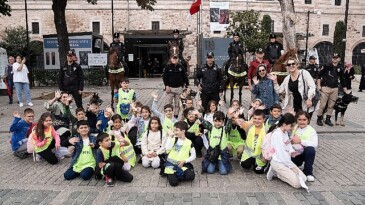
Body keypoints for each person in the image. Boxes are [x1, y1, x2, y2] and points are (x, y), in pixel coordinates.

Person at [266, 113, 308, 189]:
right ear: (284, 124)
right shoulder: (277, 134)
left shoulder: (284, 132)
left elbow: (288, 145)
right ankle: (277, 173)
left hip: (286, 161)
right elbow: (281, 154)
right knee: (297, 184)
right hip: (278, 162)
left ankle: (279, 172)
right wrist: (291, 166)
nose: (292, 128)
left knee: (304, 178)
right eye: (291, 126)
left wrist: (292, 151)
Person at [199, 111, 232, 175]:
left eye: (220, 121)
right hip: (212, 154)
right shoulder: (211, 128)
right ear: (213, 121)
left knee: (223, 172)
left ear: (223, 122)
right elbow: (204, 122)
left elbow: (229, 125)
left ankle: (220, 163)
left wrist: (230, 118)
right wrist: (198, 115)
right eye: (216, 121)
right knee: (210, 171)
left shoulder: (225, 129)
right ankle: (215, 163)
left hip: (221, 155)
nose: (217, 123)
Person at [164, 121, 196, 186]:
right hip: (171, 164)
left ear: (183, 131)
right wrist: (170, 137)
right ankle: (170, 174)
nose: (174, 132)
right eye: (174, 130)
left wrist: (185, 161)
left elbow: (193, 155)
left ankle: (176, 174)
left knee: (191, 176)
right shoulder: (173, 139)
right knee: (174, 183)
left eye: (176, 130)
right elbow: (167, 148)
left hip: (182, 165)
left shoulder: (189, 142)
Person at [235, 109, 267, 174]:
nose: (256, 121)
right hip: (249, 153)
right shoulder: (249, 126)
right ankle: (252, 161)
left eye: (259, 119)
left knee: (259, 171)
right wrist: (237, 117)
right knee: (245, 165)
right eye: (255, 118)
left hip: (260, 155)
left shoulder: (267, 130)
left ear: (264, 120)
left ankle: (261, 164)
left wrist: (265, 157)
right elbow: (237, 121)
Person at [316, 53, 344, 126]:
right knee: (322, 105)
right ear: (331, 59)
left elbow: (342, 79)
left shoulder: (340, 68)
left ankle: (328, 119)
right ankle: (319, 118)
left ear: (339, 59)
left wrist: (344, 89)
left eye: (336, 58)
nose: (335, 59)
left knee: (331, 105)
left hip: (335, 88)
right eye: (333, 58)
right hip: (325, 87)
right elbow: (319, 75)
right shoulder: (326, 66)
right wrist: (319, 85)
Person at [291, 111, 318, 182]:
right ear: (296, 120)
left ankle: (308, 172)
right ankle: (297, 165)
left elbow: (315, 144)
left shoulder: (311, 130)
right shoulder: (294, 128)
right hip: (294, 153)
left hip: (305, 153)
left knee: (311, 150)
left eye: (304, 120)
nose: (302, 122)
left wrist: (301, 141)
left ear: (308, 120)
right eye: (299, 119)